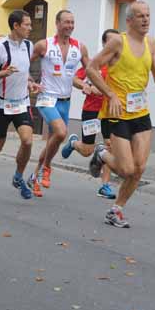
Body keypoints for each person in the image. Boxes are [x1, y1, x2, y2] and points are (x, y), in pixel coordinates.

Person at [86, 1, 155, 228]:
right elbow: (91, 69)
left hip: (140, 111)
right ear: (129, 20)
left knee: (139, 168)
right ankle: (102, 153)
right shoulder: (117, 42)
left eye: (148, 16)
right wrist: (110, 94)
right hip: (117, 111)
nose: (145, 20)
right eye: (140, 16)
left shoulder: (151, 43)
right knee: (126, 169)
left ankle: (116, 210)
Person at [0, 10, 42, 200]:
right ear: (16, 26)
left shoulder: (29, 46)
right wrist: (3, 73)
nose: (30, 28)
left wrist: (30, 82)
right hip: (2, 105)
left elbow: (23, 71)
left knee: (28, 141)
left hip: (21, 103)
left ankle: (18, 176)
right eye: (27, 24)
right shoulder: (0, 48)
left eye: (31, 24)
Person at [28, 10, 88, 197]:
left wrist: (86, 85)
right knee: (61, 133)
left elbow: (90, 70)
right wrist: (30, 81)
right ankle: (47, 166)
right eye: (66, 22)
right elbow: (23, 64)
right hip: (47, 98)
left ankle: (35, 176)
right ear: (57, 23)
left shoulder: (80, 47)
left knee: (53, 141)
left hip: (65, 101)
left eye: (72, 22)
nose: (70, 26)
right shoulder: (44, 45)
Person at [61, 29, 120, 200]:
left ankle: (105, 186)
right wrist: (84, 86)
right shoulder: (96, 63)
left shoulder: (122, 65)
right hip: (92, 110)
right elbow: (74, 78)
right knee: (87, 150)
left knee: (111, 147)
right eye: (111, 42)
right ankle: (74, 143)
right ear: (104, 44)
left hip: (110, 112)